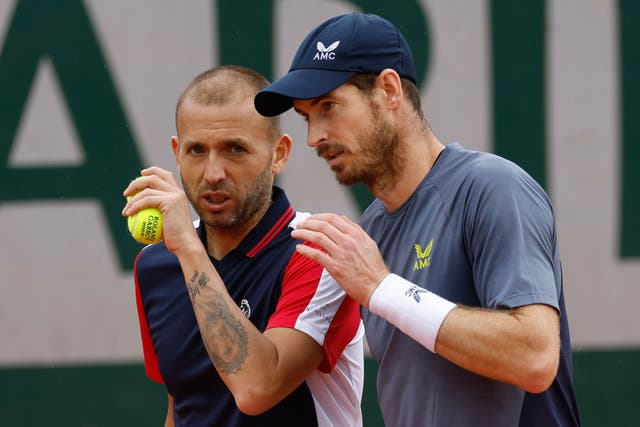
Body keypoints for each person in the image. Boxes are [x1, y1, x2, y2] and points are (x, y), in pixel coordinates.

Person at [254, 12, 581, 427]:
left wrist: (381, 287)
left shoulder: (493, 187)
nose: (313, 137)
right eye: (306, 116)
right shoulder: (370, 231)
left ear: (389, 89)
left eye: (329, 107)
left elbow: (534, 357)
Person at [123, 65, 364, 427]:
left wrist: (189, 250)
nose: (213, 173)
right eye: (197, 151)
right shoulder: (155, 265)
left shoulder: (319, 252)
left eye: (235, 149)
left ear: (278, 154)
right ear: (176, 153)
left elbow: (256, 389)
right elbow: (184, 404)